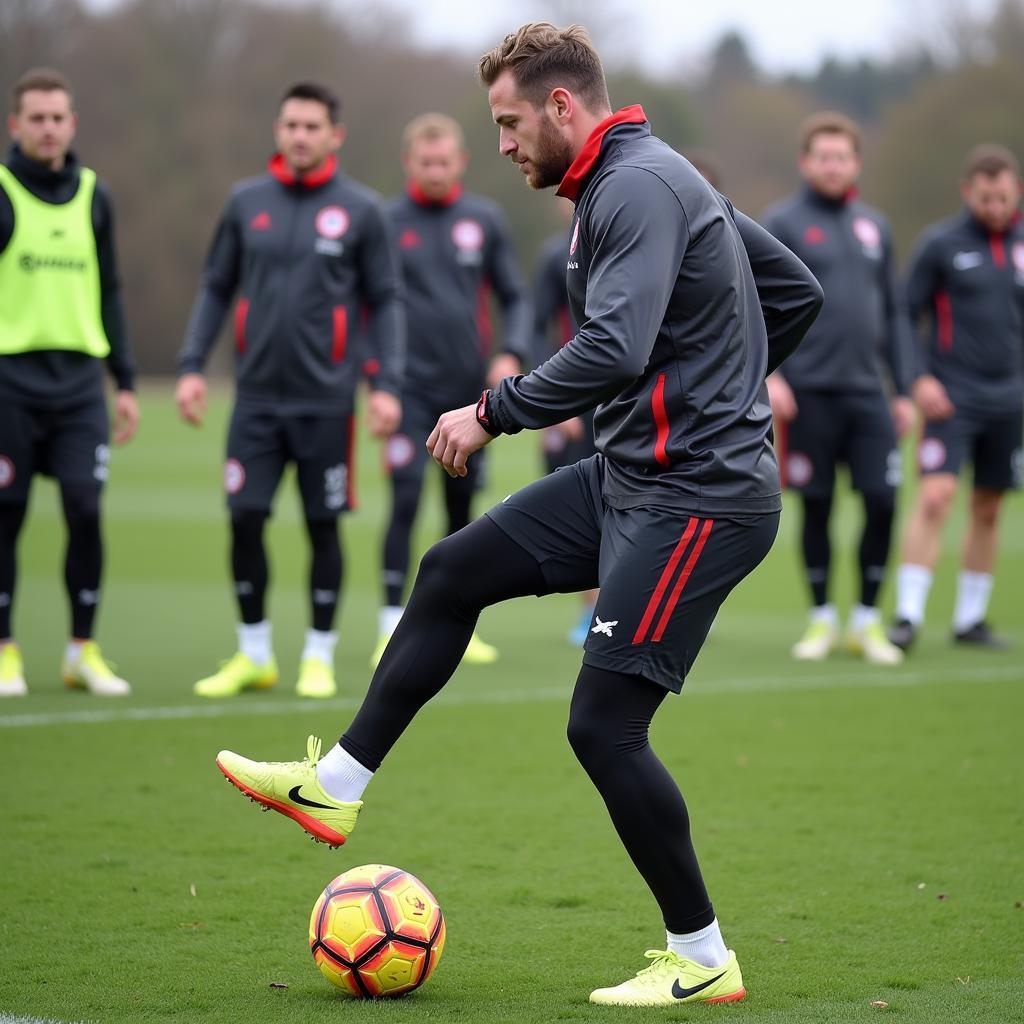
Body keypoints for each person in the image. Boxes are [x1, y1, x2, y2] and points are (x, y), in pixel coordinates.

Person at [214, 24, 822, 1006]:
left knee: (603, 726)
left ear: (562, 107)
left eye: (507, 122)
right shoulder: (634, 180)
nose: (500, 142)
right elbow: (792, 292)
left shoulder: (636, 185)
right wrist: (716, 373)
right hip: (634, 472)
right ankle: (337, 787)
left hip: (698, 496)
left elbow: (619, 346)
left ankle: (702, 955)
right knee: (454, 568)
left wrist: (495, 409)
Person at [176, 82, 403, 700]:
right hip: (253, 400)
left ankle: (318, 654)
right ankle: (253, 653)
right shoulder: (246, 201)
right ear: (278, 131)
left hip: (327, 400)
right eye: (290, 125)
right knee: (244, 518)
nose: (299, 136)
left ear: (335, 134)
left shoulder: (361, 209)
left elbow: (384, 300)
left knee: (321, 525)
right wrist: (193, 363)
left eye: (311, 126)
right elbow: (217, 285)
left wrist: (386, 383)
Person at [371, 113, 530, 669]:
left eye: (445, 162)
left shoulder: (483, 220)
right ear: (408, 163)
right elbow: (368, 302)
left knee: (462, 510)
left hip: (468, 394)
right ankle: (390, 623)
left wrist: (511, 353)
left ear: (460, 162)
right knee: (406, 496)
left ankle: (457, 625)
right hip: (406, 390)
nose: (435, 171)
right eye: (425, 162)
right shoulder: (386, 221)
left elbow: (516, 295)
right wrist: (377, 380)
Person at [0, 68, 139, 698]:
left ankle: (82, 650)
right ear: (16, 124)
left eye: (58, 117)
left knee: (85, 508)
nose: (49, 127)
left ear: (72, 124)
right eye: (37, 117)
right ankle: (5, 650)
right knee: (6, 515)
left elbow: (108, 289)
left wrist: (126, 381)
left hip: (80, 383)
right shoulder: (2, 191)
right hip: (10, 380)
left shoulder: (95, 195)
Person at [762, 112, 914, 665]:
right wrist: (770, 374)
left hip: (869, 392)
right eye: (823, 157)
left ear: (856, 163)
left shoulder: (876, 226)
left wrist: (903, 386)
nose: (833, 165)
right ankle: (822, 618)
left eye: (842, 157)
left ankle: (868, 620)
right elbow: (755, 307)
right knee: (818, 506)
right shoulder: (782, 222)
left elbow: (894, 310)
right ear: (806, 162)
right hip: (808, 393)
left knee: (882, 498)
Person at [889, 144, 1024, 652]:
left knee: (989, 506)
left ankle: (971, 620)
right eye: (986, 197)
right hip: (951, 398)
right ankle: (907, 617)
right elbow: (905, 311)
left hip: (1009, 399)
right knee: (935, 497)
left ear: (1016, 193)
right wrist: (917, 379)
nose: (994, 206)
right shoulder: (941, 243)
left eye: (1003, 198)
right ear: (969, 192)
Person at [532, 195, 598, 644]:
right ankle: (591, 611)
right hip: (573, 402)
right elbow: (537, 328)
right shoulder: (555, 257)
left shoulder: (629, 246)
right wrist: (554, 402)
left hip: (628, 397)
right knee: (586, 508)